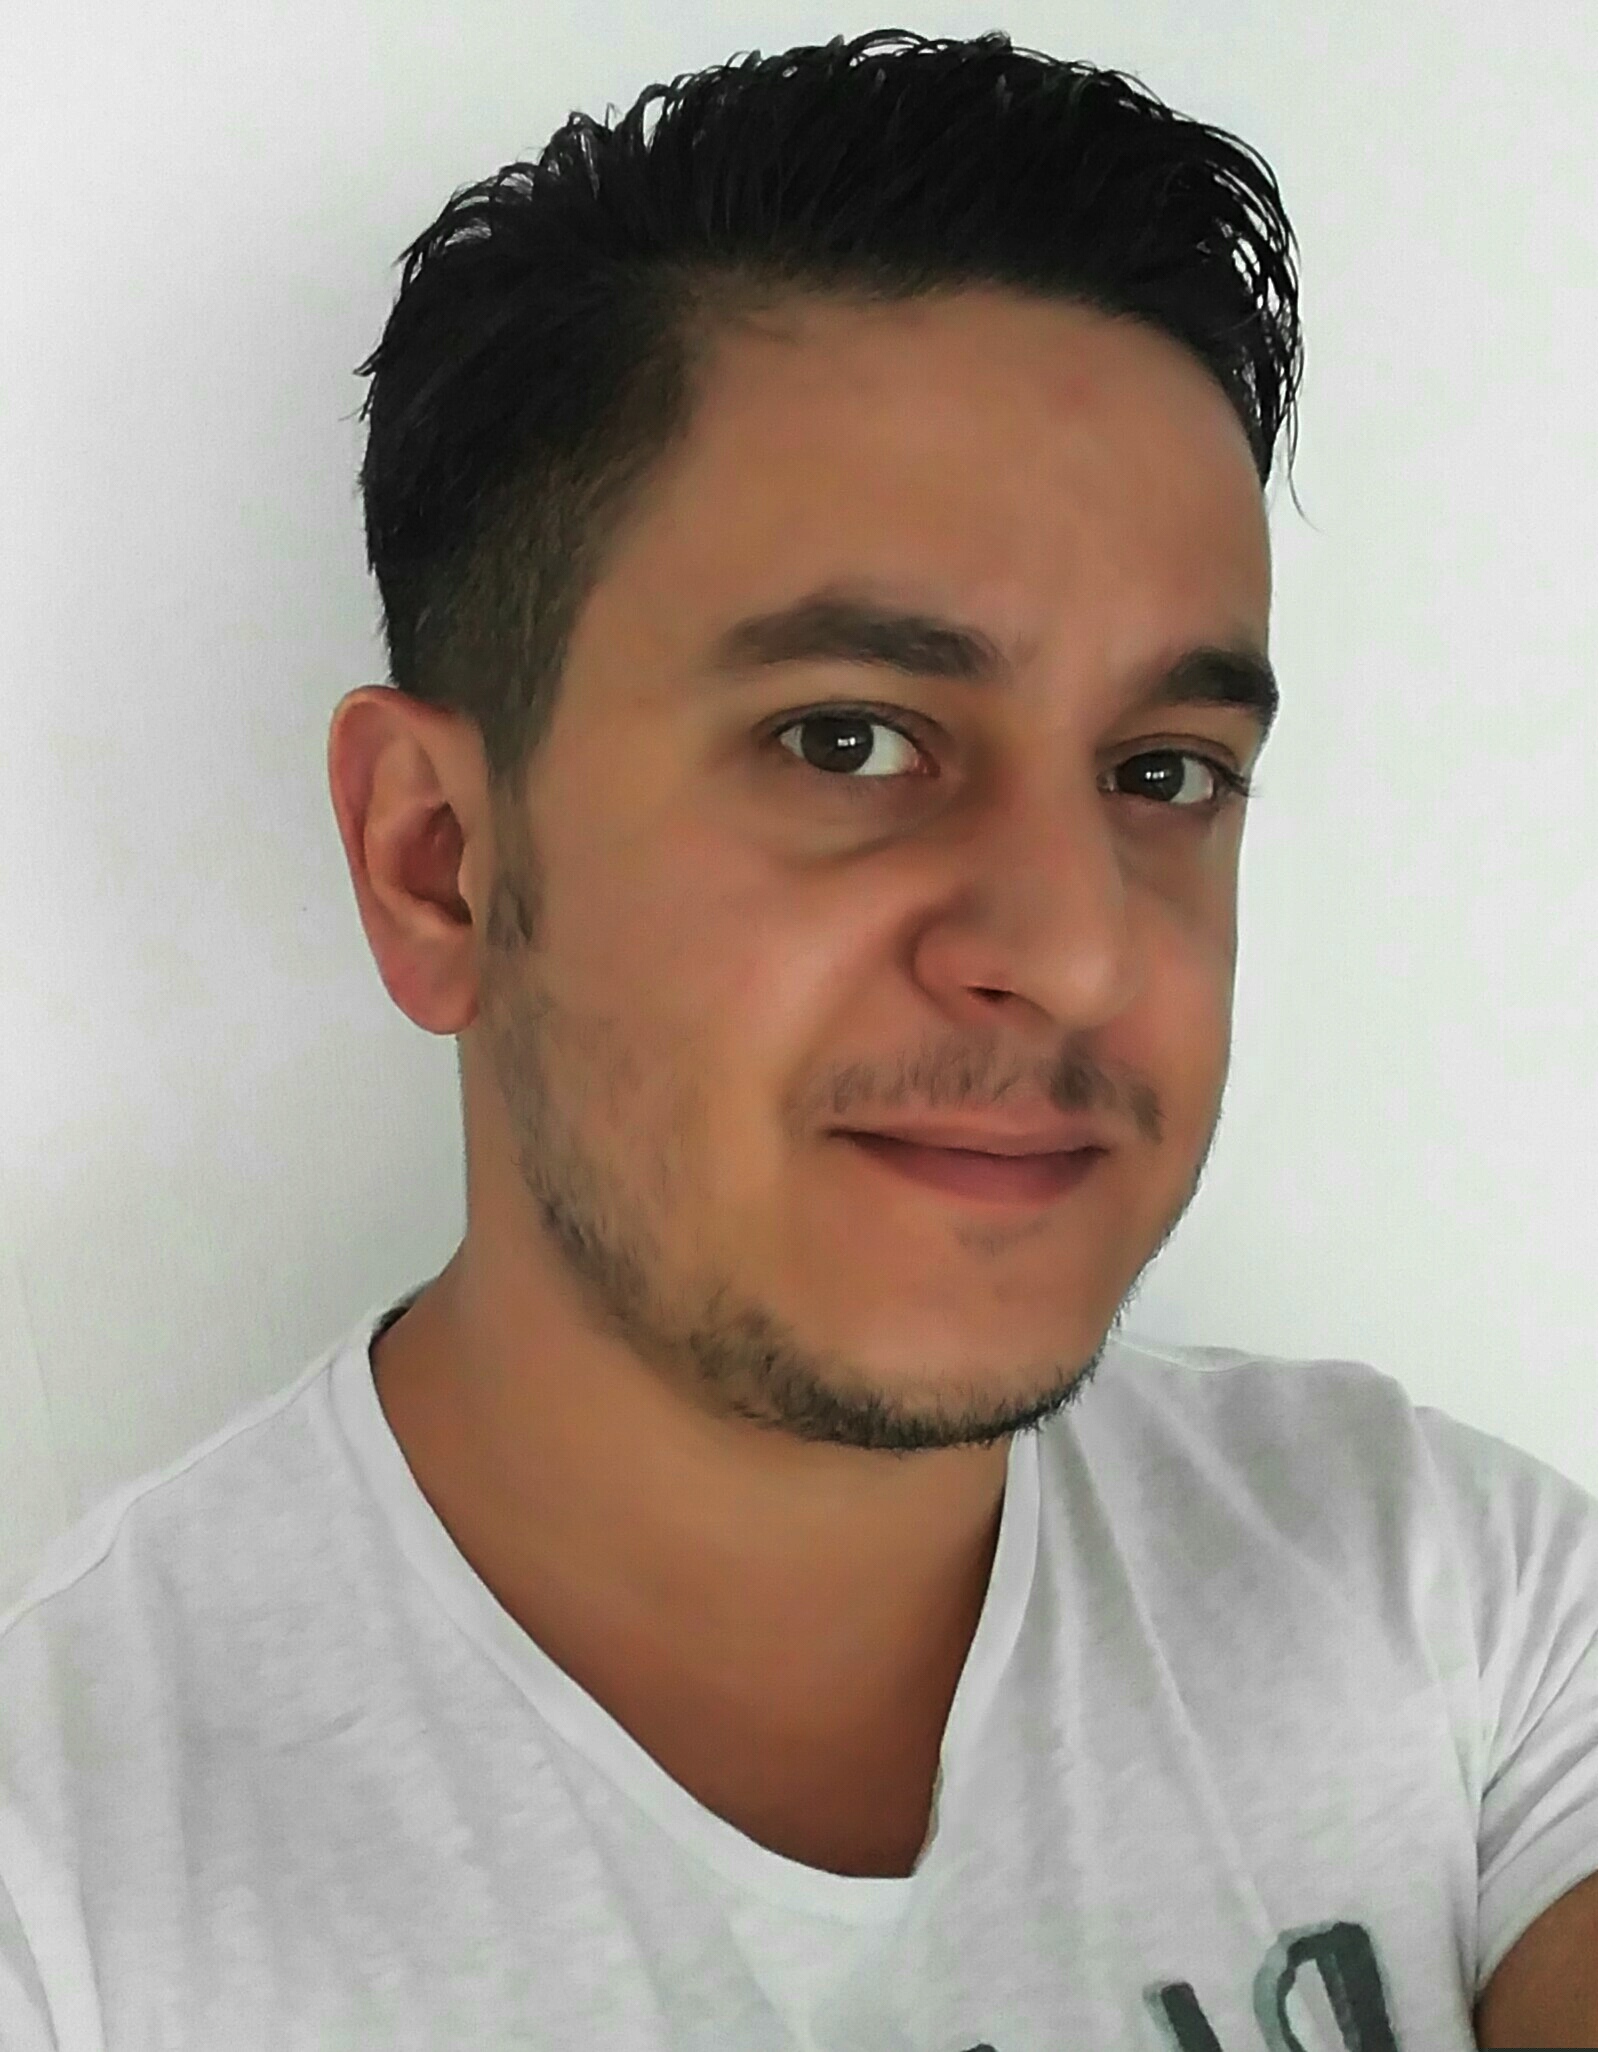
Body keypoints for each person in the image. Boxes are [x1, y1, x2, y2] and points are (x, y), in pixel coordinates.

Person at [4, 28, 1596, 2050]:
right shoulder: (68, 1881)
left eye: (1165, 771)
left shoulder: (1455, 1604)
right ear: (437, 863)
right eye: (846, 740)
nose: (1075, 952)